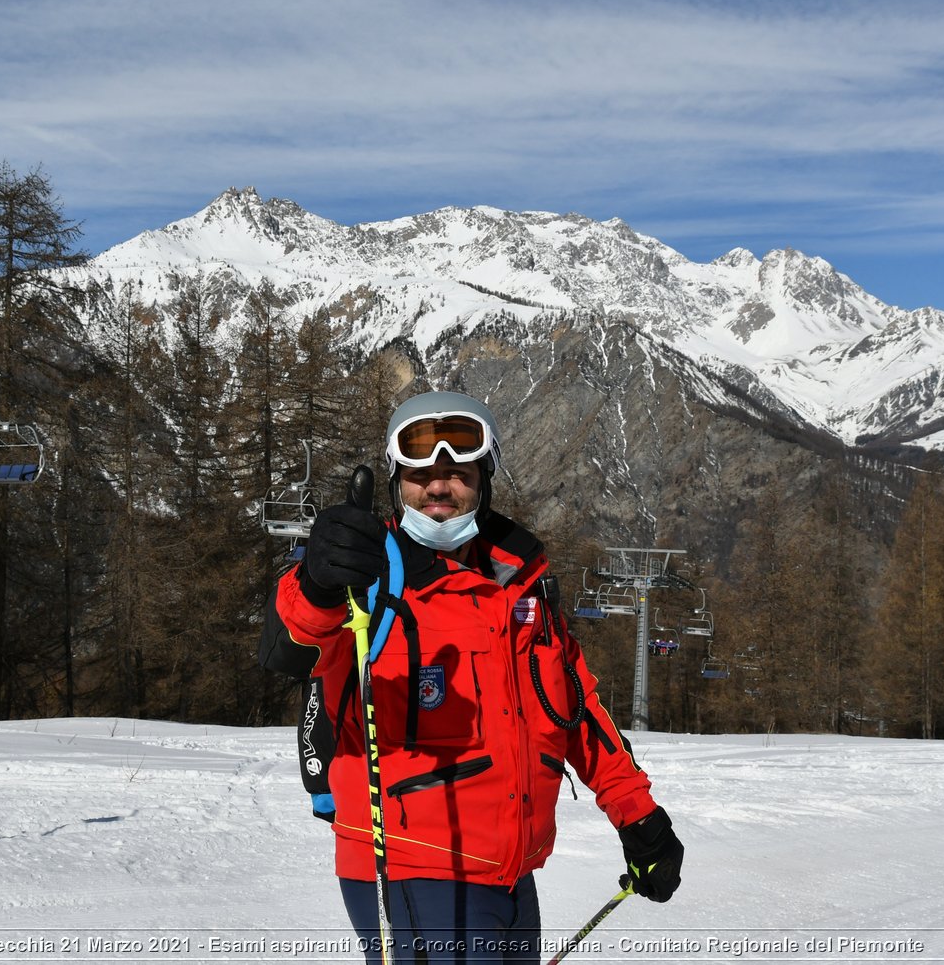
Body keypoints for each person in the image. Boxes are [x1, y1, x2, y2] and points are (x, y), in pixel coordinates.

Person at [275, 391, 683, 964]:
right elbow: (292, 643)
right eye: (421, 473)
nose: (438, 486)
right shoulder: (365, 572)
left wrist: (637, 813)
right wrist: (317, 583)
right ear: (396, 479)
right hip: (413, 862)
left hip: (511, 869)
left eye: (457, 471)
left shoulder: (524, 583)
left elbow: (575, 707)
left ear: (483, 475)